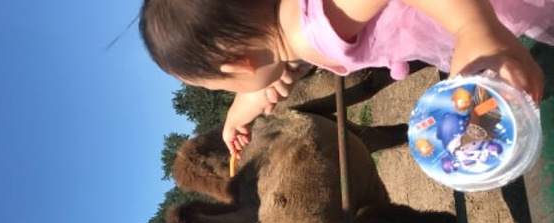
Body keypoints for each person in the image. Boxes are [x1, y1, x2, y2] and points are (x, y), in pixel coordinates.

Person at [140, 0, 554, 156]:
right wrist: (235, 120)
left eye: (220, 87)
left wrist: (473, 29)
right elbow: (260, 88)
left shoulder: (313, 31)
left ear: (239, 65)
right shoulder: (291, 28)